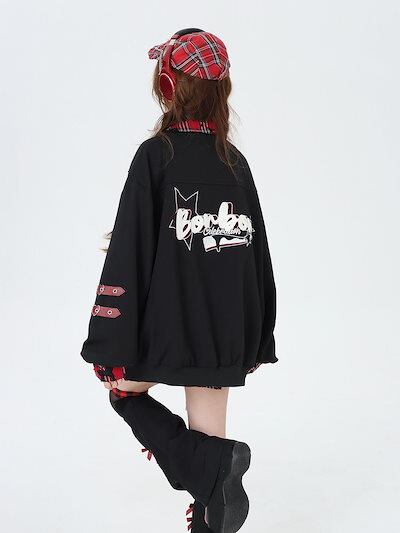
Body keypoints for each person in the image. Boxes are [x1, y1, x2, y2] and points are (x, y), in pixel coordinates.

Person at [80, 28, 277, 532]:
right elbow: (258, 259)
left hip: (169, 332)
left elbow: (128, 253)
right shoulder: (236, 164)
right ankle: (209, 480)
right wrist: (258, 338)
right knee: (210, 455)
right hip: (223, 336)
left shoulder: (157, 156)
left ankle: (207, 467)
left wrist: (110, 343)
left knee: (122, 391)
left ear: (167, 85)